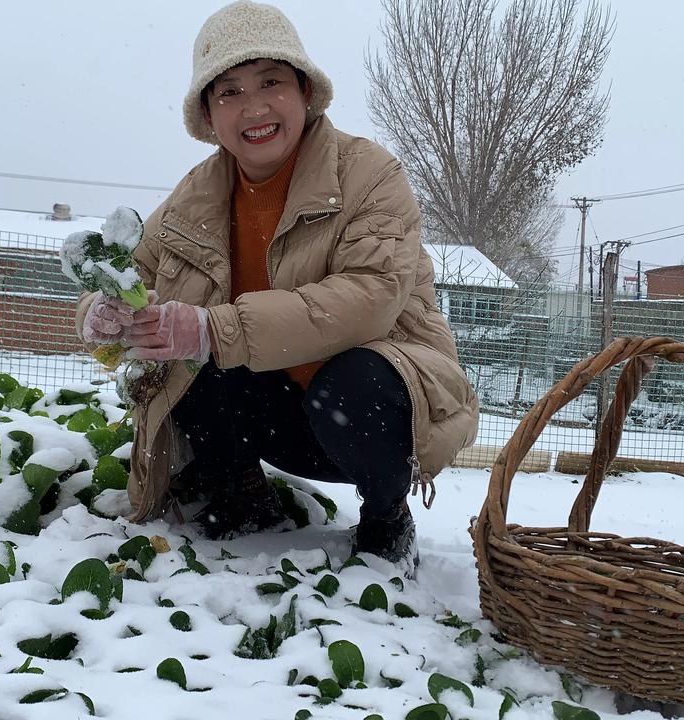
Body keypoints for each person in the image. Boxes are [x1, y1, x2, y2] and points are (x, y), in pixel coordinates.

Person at [75, 0, 478, 568]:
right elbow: (133, 276)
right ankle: (241, 491)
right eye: (229, 92)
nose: (254, 107)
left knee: (348, 381)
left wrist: (213, 328)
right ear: (209, 118)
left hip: (370, 414)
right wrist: (101, 310)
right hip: (277, 417)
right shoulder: (195, 198)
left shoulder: (369, 174)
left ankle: (386, 514)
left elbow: (371, 298)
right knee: (190, 357)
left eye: (272, 82)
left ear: (306, 93)